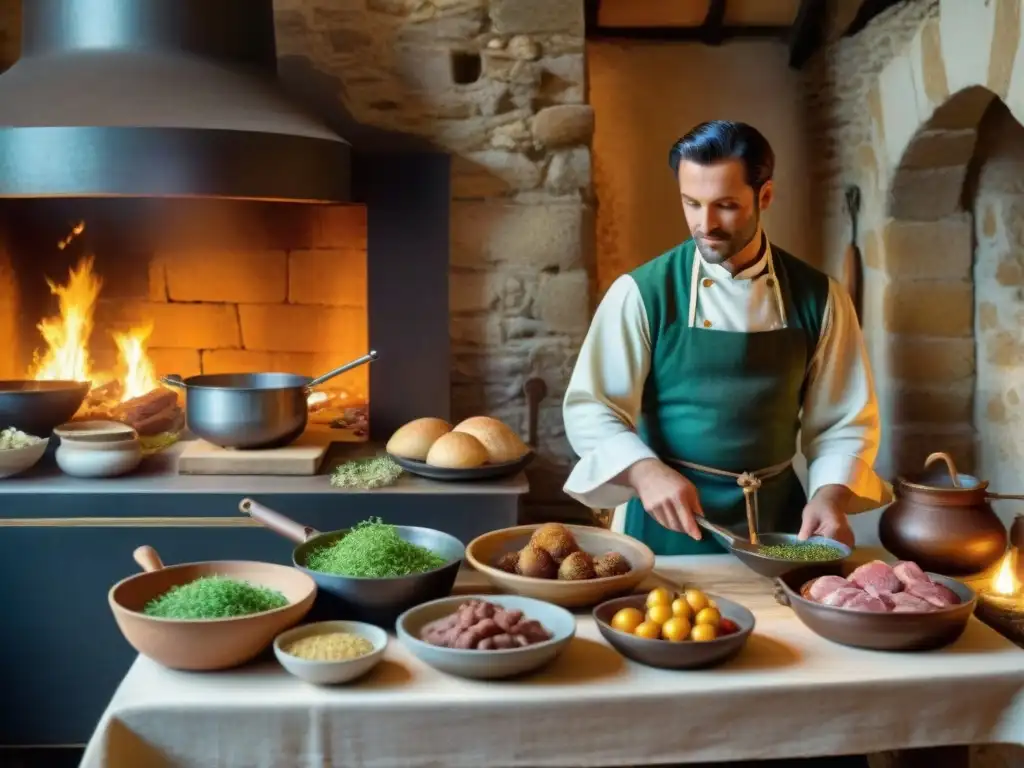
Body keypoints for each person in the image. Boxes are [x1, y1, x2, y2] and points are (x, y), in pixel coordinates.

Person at [562, 120, 891, 555]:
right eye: (691, 203)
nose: (705, 224)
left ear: (765, 195)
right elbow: (592, 407)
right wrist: (643, 471)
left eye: (725, 205)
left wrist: (830, 496)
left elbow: (842, 422)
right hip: (666, 519)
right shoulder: (641, 293)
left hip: (782, 523)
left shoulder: (822, 298)